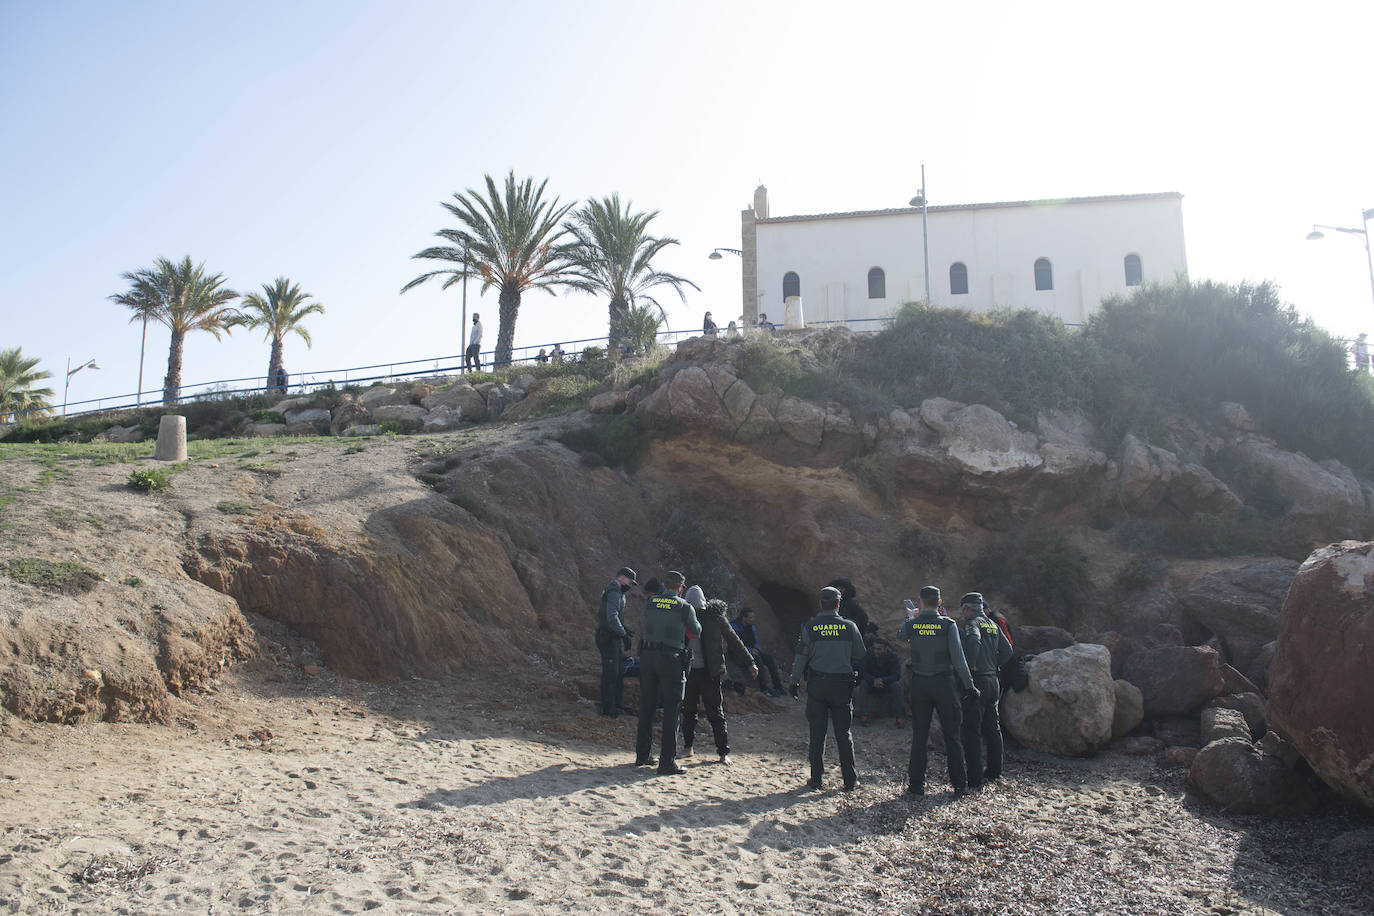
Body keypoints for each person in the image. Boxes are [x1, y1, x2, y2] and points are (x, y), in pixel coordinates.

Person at [899, 585, 978, 799]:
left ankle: (916, 786)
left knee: (920, 736)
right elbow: (959, 659)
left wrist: (910, 616)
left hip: (920, 684)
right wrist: (969, 685)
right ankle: (959, 785)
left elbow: (901, 635)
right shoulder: (948, 625)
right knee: (952, 736)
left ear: (921, 602)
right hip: (944, 683)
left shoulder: (913, 624)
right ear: (940, 603)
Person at [788, 585, 867, 791]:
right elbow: (860, 653)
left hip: (818, 685)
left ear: (820, 603)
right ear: (839, 604)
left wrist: (794, 681)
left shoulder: (810, 627)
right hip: (842, 685)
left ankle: (816, 779)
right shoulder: (850, 627)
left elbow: (800, 657)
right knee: (844, 734)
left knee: (817, 733)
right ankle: (850, 780)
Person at [633, 571, 701, 775]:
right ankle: (666, 763)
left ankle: (642, 755)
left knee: (647, 705)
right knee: (672, 709)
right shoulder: (684, 606)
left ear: (664, 584)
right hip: (670, 658)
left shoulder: (652, 602)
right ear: (680, 587)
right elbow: (695, 631)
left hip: (647, 656)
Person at [680, 594, 756, 765]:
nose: (696, 611)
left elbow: (733, 640)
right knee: (688, 711)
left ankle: (723, 752)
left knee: (715, 713)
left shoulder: (715, 618)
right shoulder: (682, 615)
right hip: (689, 671)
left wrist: (750, 661)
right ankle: (688, 747)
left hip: (710, 673)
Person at [959, 592, 1014, 789]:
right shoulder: (993, 625)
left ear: (967, 608)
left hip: (979, 680)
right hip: (993, 680)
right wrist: (993, 664)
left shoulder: (972, 624)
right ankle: (994, 771)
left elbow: (973, 641)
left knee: (972, 730)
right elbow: (1008, 651)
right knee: (993, 727)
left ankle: (974, 778)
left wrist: (971, 666)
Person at [595, 567, 637, 717]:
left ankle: (616, 704)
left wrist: (624, 630)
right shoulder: (614, 592)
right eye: (630, 582)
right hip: (608, 637)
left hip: (612, 636)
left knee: (618, 671)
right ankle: (609, 708)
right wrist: (623, 633)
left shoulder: (616, 592)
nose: (630, 586)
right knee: (611, 673)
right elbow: (611, 617)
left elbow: (613, 617)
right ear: (623, 578)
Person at [731, 607, 784, 696]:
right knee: (757, 659)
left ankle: (778, 687)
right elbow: (735, 644)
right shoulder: (734, 626)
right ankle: (764, 688)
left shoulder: (752, 627)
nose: (753, 619)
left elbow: (755, 641)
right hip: (739, 654)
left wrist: (756, 649)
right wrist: (750, 650)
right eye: (751, 617)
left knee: (768, 659)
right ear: (744, 618)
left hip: (752, 651)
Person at [857, 637, 905, 728]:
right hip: (871, 683)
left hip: (886, 683)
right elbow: (863, 671)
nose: (876, 651)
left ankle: (899, 718)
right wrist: (873, 680)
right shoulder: (868, 654)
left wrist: (882, 680)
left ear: (885, 649)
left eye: (879, 649)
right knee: (863, 684)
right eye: (874, 648)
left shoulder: (893, 657)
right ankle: (864, 716)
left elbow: (896, 675)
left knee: (897, 686)